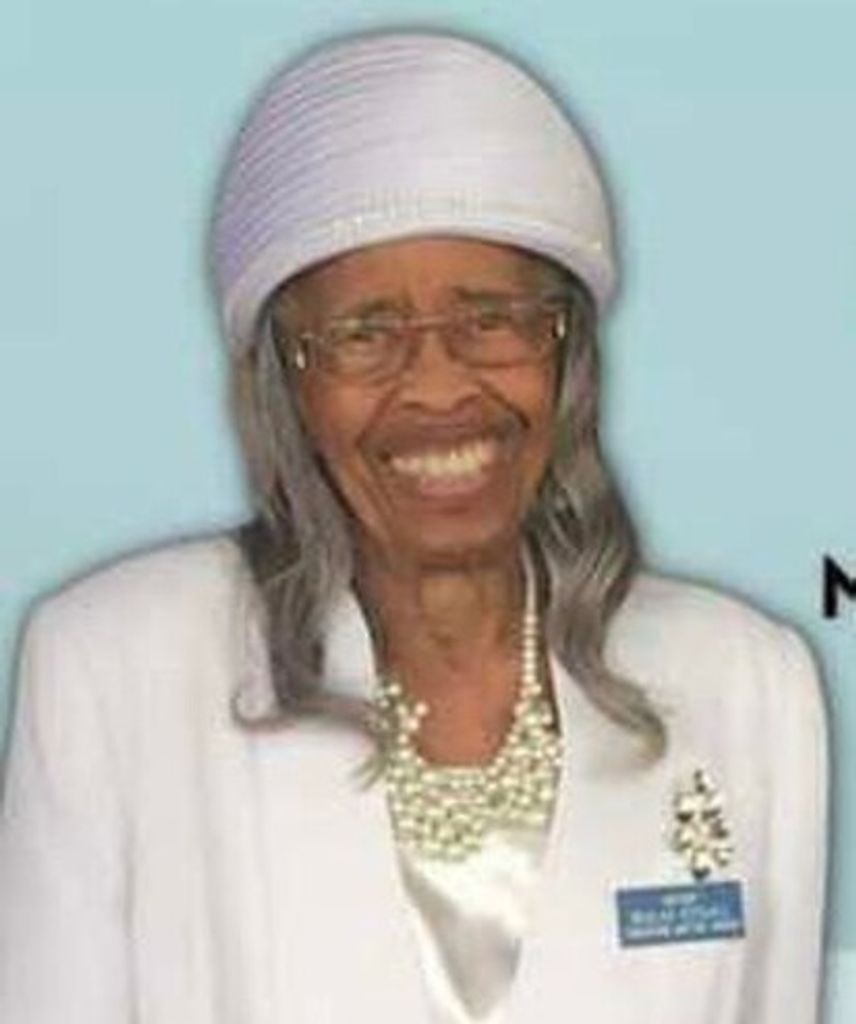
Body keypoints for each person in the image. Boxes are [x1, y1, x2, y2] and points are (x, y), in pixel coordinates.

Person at [0, 29, 828, 1024]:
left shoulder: (748, 684)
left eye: (491, 319)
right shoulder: (114, 666)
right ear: (285, 386)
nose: (437, 389)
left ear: (565, 353)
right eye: (364, 335)